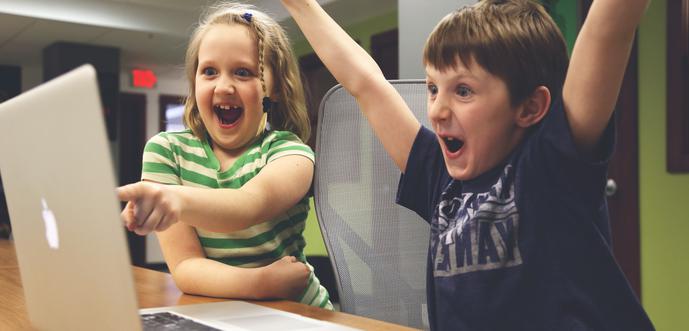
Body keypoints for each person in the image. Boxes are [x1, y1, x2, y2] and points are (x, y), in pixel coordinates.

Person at [281, 0, 654, 329]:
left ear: (529, 108)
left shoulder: (553, 164)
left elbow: (609, 29)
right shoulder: (438, 176)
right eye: (432, 88)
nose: (438, 111)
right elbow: (365, 83)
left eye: (463, 91)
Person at [117, 2, 332, 309]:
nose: (224, 86)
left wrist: (174, 199)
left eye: (243, 72)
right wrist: (262, 284)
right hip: (224, 310)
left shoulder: (291, 154)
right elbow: (185, 267)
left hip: (298, 312)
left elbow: (247, 205)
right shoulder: (166, 152)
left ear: (275, 88)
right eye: (209, 72)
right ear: (194, 82)